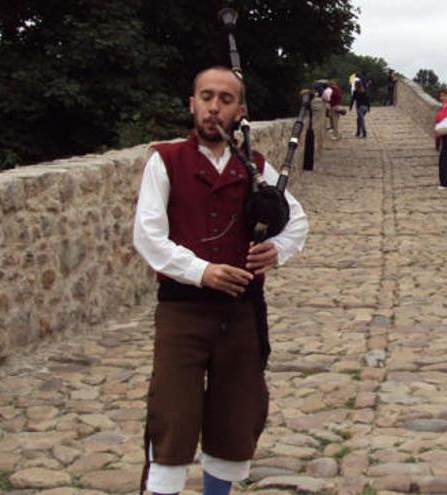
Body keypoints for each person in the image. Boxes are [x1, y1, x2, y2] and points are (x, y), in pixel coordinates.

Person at [132, 66, 308, 495]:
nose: (215, 107)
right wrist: (202, 271)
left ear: (239, 110)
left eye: (225, 99)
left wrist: (277, 250)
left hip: (241, 314)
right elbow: (148, 236)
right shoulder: (166, 160)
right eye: (206, 97)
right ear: (192, 104)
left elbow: (297, 220)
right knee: (172, 417)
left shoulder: (256, 168)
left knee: (235, 417)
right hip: (181, 312)